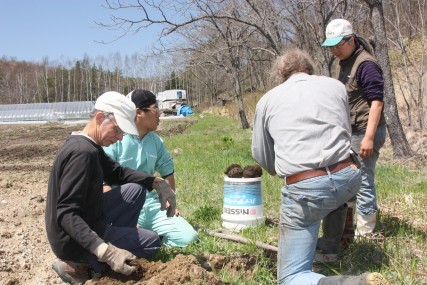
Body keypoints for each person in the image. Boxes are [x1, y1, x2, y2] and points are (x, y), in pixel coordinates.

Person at [251, 49, 389, 285]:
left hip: (307, 189)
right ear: (310, 69)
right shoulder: (335, 86)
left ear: (281, 74)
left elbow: (261, 154)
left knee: (290, 277)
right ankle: (330, 247)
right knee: (333, 194)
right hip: (349, 176)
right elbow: (343, 130)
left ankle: (352, 283)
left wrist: (284, 170)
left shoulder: (267, 100)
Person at [45, 91, 176, 284]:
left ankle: (113, 247)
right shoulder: (82, 154)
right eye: (117, 130)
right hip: (71, 241)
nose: (121, 137)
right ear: (100, 118)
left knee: (135, 190)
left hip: (89, 218)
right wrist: (105, 251)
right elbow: (66, 213)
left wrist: (155, 182)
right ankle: (81, 266)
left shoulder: (89, 146)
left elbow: (118, 173)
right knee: (152, 242)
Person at [103, 89, 198, 247]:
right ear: (139, 112)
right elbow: (103, 183)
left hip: (151, 206)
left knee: (189, 237)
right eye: (155, 108)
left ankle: (152, 238)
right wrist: (119, 215)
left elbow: (167, 171)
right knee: (117, 243)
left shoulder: (156, 142)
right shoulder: (116, 140)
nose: (159, 113)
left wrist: (169, 202)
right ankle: (144, 238)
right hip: (123, 209)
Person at [321, 19, 387, 239]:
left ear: (351, 39)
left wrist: (368, 138)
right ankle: (347, 228)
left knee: (363, 180)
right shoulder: (345, 61)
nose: (334, 50)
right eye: (331, 46)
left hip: (365, 131)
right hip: (352, 131)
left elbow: (377, 102)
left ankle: (366, 232)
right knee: (348, 179)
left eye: (339, 45)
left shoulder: (366, 64)